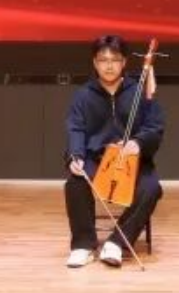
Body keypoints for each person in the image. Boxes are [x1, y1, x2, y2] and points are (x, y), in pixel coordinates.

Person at [63, 36, 164, 268]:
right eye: (103, 60)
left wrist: (138, 142)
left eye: (115, 60)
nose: (109, 65)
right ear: (94, 63)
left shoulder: (139, 91)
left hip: (132, 160)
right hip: (96, 158)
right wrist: (75, 156)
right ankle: (83, 245)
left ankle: (117, 243)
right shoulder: (83, 95)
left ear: (124, 62)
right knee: (76, 182)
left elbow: (155, 126)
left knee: (151, 188)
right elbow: (75, 128)